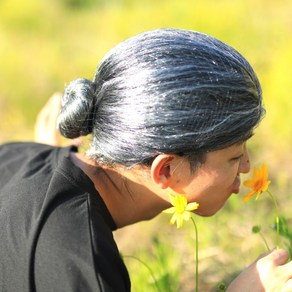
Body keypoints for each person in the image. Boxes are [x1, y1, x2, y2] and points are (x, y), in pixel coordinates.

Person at [0, 28, 291, 291]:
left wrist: (44, 151)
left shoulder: (18, 155)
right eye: (235, 156)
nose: (247, 167)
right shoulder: (84, 264)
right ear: (165, 169)